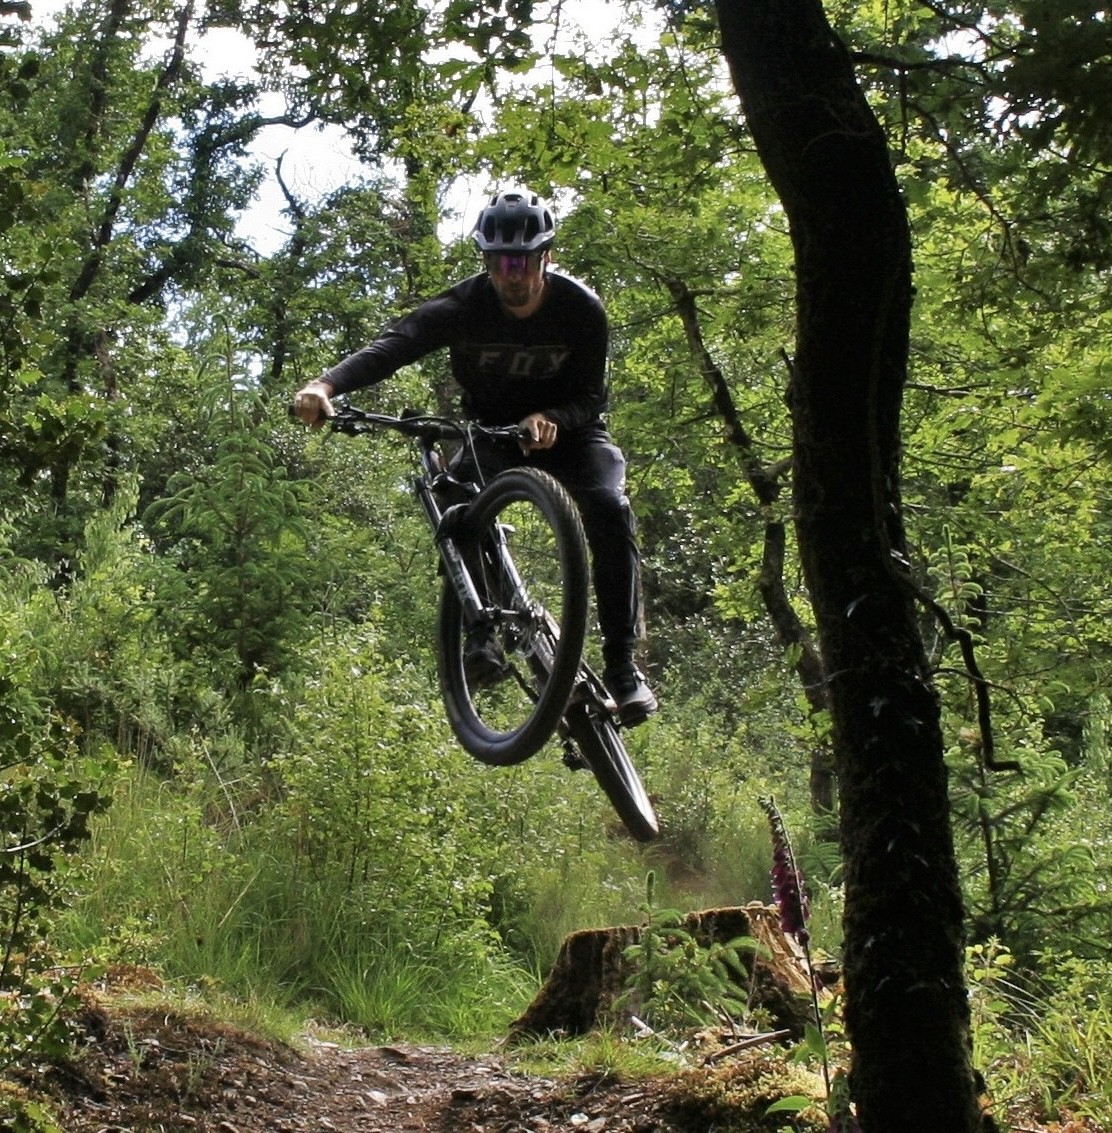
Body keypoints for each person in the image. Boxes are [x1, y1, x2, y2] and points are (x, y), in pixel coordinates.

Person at [292, 186, 657, 726]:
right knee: (455, 507)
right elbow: (394, 345)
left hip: (574, 435)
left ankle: (624, 670)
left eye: (523, 260)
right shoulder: (464, 306)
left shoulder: (581, 310)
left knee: (607, 506)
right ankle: (482, 634)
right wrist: (325, 385)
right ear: (486, 262)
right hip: (493, 435)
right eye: (499, 261)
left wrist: (553, 420)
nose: (512, 273)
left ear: (546, 258)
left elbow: (591, 397)